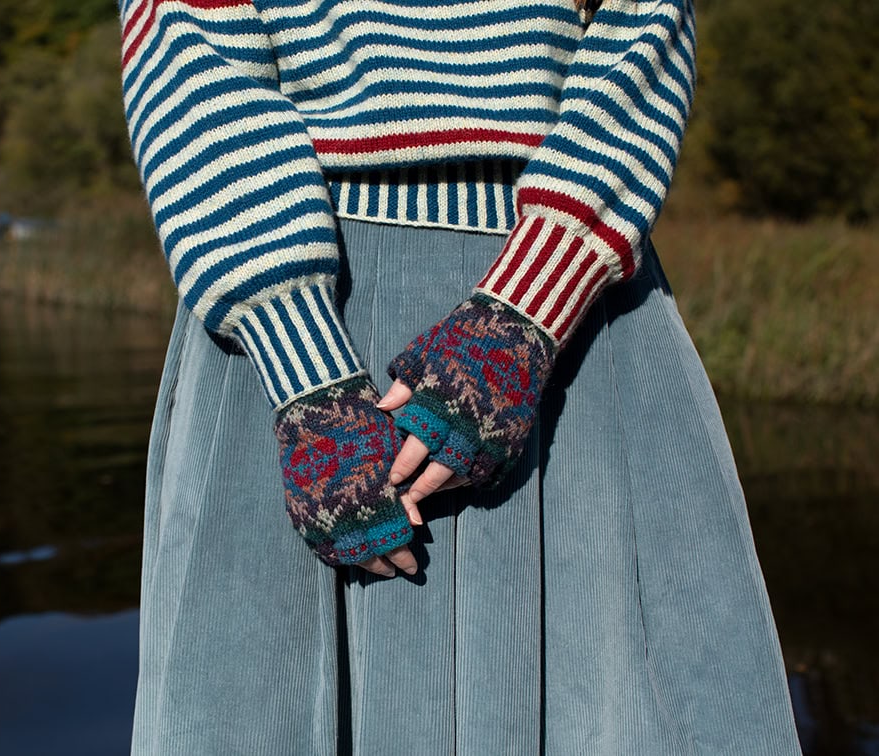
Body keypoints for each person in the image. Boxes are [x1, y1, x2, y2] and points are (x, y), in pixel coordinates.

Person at [120, 0, 802, 752]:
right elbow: (187, 47)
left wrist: (532, 302)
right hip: (292, 314)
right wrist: (298, 353)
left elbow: (647, 17)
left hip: (567, 309)